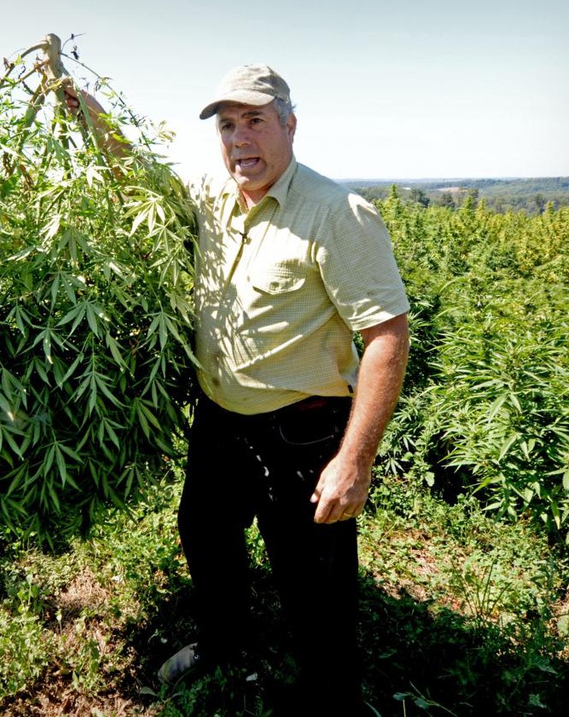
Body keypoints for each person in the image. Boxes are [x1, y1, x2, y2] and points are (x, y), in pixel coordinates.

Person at [68, 64, 410, 713]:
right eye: (227, 125)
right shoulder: (212, 193)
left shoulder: (338, 214)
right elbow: (140, 180)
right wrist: (88, 113)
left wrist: (355, 460)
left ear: (290, 123)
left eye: (254, 120)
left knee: (313, 582)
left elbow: (387, 339)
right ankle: (224, 644)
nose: (239, 138)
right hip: (220, 418)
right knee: (204, 535)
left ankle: (328, 694)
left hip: (303, 430)